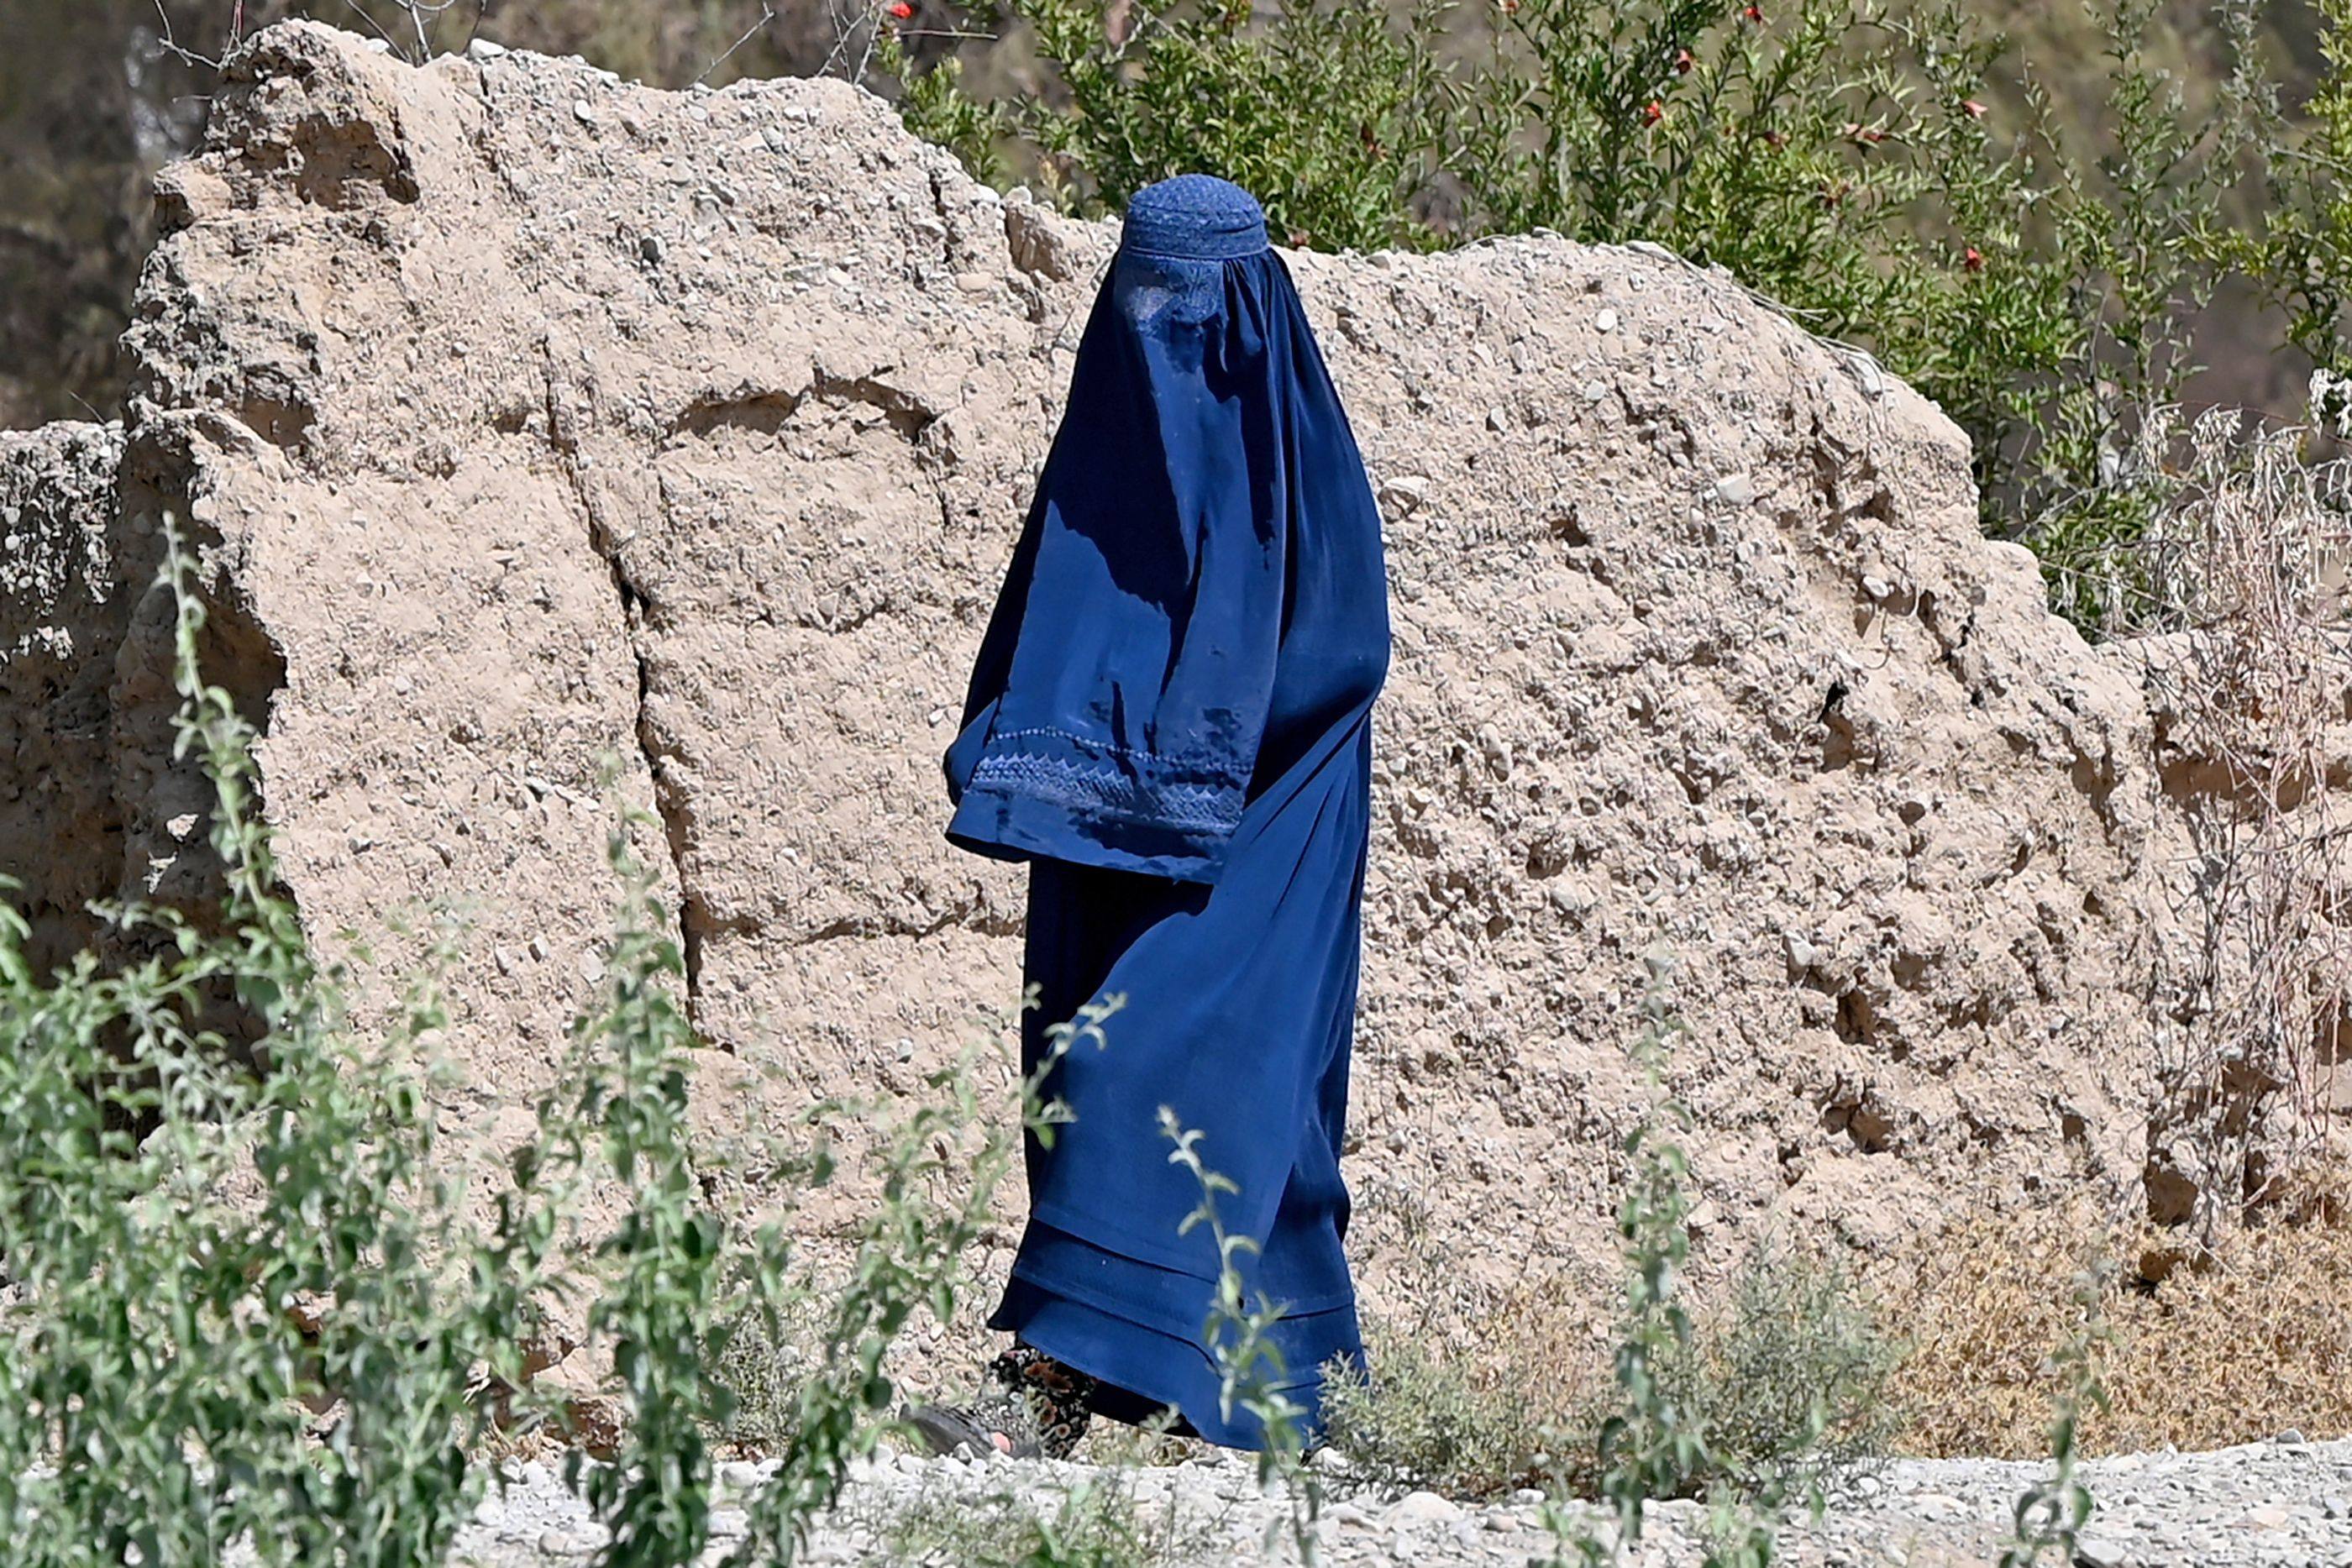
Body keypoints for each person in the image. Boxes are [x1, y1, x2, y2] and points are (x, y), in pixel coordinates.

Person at [906, 172, 1391, 1459]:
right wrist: (1073, 773)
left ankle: (1055, 1393)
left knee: (1163, 1080)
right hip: (1114, 843)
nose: (1160, 330)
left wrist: (1198, 766)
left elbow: (1340, 653)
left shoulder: (1302, 461)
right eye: (1144, 300)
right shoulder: (1108, 447)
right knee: (1122, 1082)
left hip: (1268, 829)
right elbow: (1045, 631)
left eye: (1190, 309)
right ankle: (1287, 1399)